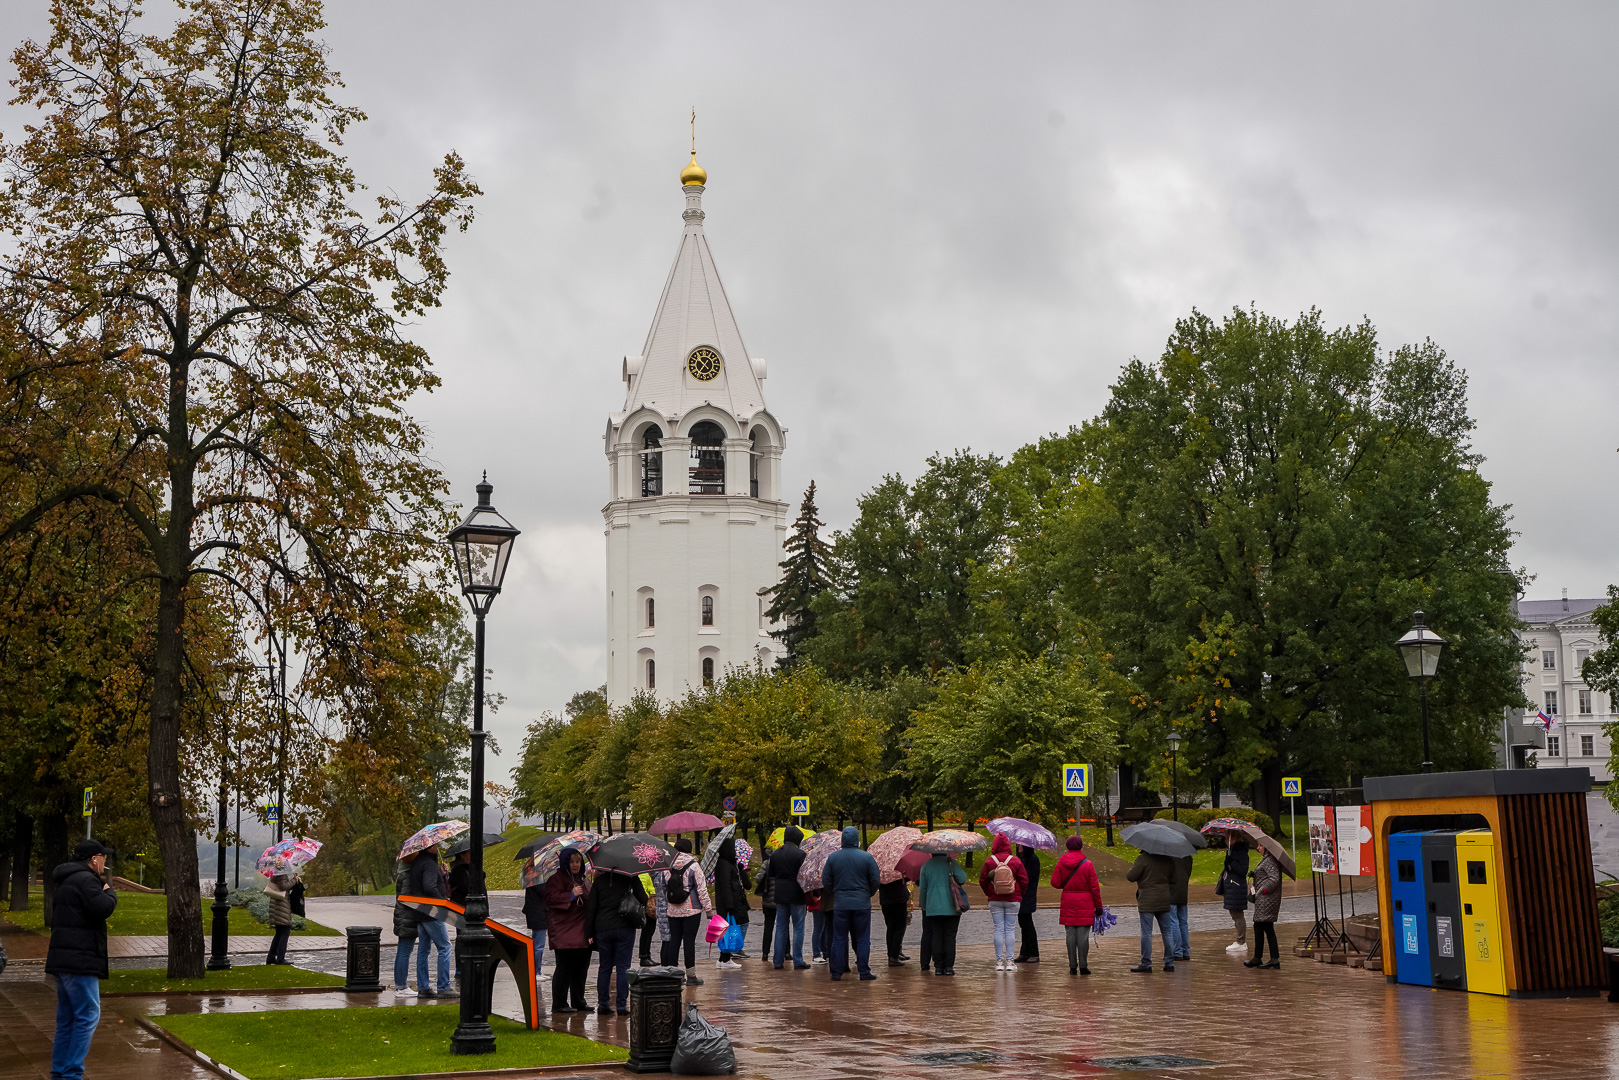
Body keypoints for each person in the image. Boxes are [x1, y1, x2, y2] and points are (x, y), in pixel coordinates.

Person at [46, 839, 117, 1080]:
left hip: (64, 959)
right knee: (88, 1015)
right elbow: (102, 908)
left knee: (67, 1019)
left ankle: (60, 1072)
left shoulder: (66, 880)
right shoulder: (87, 880)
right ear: (93, 859)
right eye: (103, 857)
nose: (105, 862)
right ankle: (72, 1073)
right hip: (80, 960)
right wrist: (110, 892)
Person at [821, 826, 881, 981]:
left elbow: (826, 880)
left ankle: (836, 972)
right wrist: (868, 893)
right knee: (862, 938)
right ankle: (864, 971)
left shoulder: (833, 858)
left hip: (841, 903)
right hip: (862, 903)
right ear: (856, 839)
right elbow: (875, 879)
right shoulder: (866, 857)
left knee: (838, 938)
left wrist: (836, 892)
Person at [586, 867, 647, 1016]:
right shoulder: (629, 878)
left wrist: (589, 932)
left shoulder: (599, 882)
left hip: (603, 927)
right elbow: (643, 899)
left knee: (605, 967)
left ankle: (603, 1004)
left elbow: (591, 908)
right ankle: (621, 1005)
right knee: (622, 967)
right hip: (624, 927)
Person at [657, 839, 712, 986]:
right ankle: (691, 975)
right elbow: (701, 889)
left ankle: (673, 974)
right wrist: (708, 909)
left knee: (674, 940)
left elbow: (662, 887)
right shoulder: (694, 866)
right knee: (689, 941)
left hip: (672, 910)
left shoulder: (667, 866)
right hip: (691, 910)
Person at [546, 846, 593, 1012]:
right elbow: (551, 900)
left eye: (578, 861)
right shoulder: (555, 879)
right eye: (571, 861)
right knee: (564, 968)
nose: (575, 865)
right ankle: (559, 1003)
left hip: (582, 931)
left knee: (581, 968)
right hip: (564, 932)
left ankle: (578, 1000)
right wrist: (570, 895)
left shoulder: (583, 879)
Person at [407, 844, 456, 998]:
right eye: (435, 845)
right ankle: (443, 986)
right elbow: (429, 887)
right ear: (429, 848)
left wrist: (440, 875)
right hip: (431, 912)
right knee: (445, 946)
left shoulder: (418, 862)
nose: (437, 847)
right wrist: (442, 901)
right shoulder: (428, 864)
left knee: (423, 949)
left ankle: (423, 987)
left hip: (420, 911)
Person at [1050, 835, 1103, 975]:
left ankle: (1072, 966)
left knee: (1070, 935)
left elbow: (1055, 882)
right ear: (1081, 846)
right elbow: (1095, 888)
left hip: (1068, 901)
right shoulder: (1087, 864)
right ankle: (1084, 965)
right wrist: (1099, 907)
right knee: (1083, 936)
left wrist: (1066, 885)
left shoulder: (1061, 862)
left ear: (1067, 846)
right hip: (1085, 902)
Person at [979, 834, 1028, 972]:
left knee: (998, 929)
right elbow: (1024, 880)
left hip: (995, 899)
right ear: (1008, 845)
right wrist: (1019, 893)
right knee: (1010, 929)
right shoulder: (1015, 861)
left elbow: (982, 880)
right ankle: (1010, 962)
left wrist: (990, 893)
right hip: (1013, 899)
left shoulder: (990, 861)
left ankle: (999, 962)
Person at [1126, 849, 1176, 973]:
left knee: (1146, 933)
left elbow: (1131, 877)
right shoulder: (1168, 859)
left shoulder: (1143, 859)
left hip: (1147, 899)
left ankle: (1146, 963)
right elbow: (1174, 879)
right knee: (1167, 932)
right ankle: (1169, 963)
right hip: (1164, 898)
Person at [916, 852, 966, 976]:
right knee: (950, 936)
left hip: (933, 907)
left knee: (937, 936)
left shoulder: (926, 865)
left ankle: (938, 967)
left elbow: (923, 888)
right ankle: (949, 966)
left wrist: (924, 905)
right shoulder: (950, 863)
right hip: (952, 906)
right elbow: (963, 878)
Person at [770, 827, 810, 970]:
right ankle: (798, 960)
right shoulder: (801, 854)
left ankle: (778, 961)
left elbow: (772, 874)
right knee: (798, 927)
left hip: (780, 894)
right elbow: (804, 876)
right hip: (797, 894)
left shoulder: (775, 854)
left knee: (781, 927)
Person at [712, 837, 752, 969]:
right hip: (728, 904)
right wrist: (729, 905)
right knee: (729, 930)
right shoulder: (723, 864)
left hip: (734, 902)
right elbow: (726, 886)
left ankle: (724, 958)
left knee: (728, 930)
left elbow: (745, 884)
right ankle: (726, 958)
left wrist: (740, 869)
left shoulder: (730, 863)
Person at [1245, 845, 1283, 969]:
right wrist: (1255, 875)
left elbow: (1274, 878)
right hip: (1264, 900)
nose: (1258, 848)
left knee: (1262, 926)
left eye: (1260, 845)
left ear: (1267, 847)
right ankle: (1265, 958)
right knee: (1263, 927)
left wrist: (1263, 890)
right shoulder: (1267, 859)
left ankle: (1266, 958)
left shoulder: (1270, 860)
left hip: (1266, 900)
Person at [393, 863, 422, 996]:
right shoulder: (408, 876)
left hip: (403, 918)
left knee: (403, 950)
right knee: (404, 951)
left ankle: (400, 985)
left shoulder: (402, 874)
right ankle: (401, 986)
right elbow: (406, 898)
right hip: (407, 918)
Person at [521, 870, 549, 1004]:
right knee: (538, 944)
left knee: (538, 943)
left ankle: (537, 970)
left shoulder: (533, 875)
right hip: (538, 913)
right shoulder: (536, 877)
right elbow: (544, 893)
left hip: (536, 912)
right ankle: (536, 971)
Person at [1220, 838, 1251, 954]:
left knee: (1238, 915)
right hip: (1232, 887)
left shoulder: (1241, 853)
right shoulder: (1231, 851)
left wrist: (1231, 861)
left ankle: (1241, 941)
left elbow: (1243, 871)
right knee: (1234, 914)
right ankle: (1239, 940)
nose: (1225, 838)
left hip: (1236, 887)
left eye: (1228, 835)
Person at [1013, 843, 1041, 964]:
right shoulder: (1021, 859)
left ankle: (1034, 952)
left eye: (1021, 846)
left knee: (1027, 924)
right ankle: (1024, 952)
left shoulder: (1032, 859)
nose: (1019, 847)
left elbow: (1027, 877)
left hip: (1027, 895)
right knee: (1023, 924)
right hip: (1021, 895)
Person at [878, 874, 911, 967]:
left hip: (886, 899)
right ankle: (894, 955)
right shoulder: (899, 867)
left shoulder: (881, 869)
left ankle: (892, 954)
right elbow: (907, 877)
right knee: (899, 927)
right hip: (899, 898)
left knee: (891, 927)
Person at [264, 873, 294, 965]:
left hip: (277, 905)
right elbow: (283, 886)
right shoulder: (281, 873)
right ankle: (280, 958)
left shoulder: (276, 872)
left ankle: (271, 957)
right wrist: (294, 880)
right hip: (281, 906)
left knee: (279, 933)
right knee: (285, 932)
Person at [755, 844, 777, 962]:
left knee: (768, 927)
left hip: (768, 900)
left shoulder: (767, 863)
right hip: (780, 900)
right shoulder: (782, 863)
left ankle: (765, 953)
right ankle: (786, 952)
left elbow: (758, 879)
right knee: (782, 927)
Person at [1169, 852, 1192, 962]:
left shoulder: (1168, 857)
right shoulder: (1187, 856)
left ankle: (1177, 951)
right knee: (1183, 922)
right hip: (1183, 891)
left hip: (1172, 892)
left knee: (1173, 922)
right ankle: (1185, 950)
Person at [636, 872, 657, 966]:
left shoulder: (646, 873)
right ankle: (644, 956)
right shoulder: (645, 874)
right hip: (648, 905)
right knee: (647, 931)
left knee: (649, 930)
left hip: (648, 904)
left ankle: (647, 955)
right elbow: (647, 889)